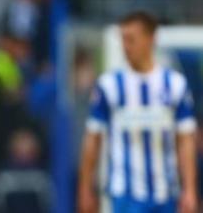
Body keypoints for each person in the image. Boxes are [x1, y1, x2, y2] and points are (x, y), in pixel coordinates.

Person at [78, 11, 198, 213]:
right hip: (125, 194)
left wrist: (190, 190)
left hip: (165, 193)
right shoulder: (109, 85)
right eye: (123, 40)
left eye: (131, 39)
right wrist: (84, 189)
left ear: (151, 39)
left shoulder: (175, 85)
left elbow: (185, 141)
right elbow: (92, 140)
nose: (126, 46)